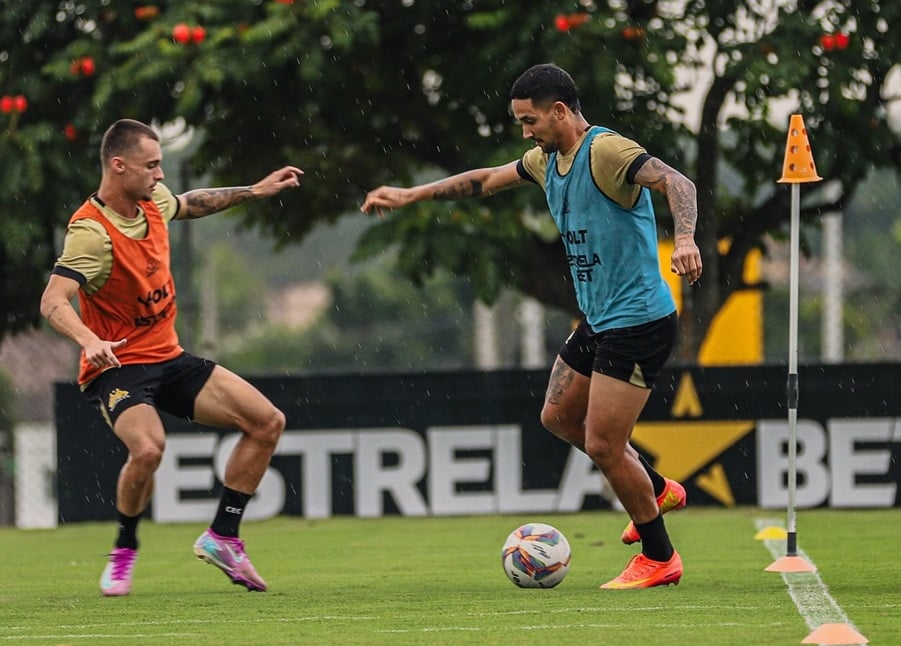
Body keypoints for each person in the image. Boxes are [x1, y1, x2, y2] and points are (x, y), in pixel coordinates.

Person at [362, 63, 702, 589]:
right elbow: (482, 181)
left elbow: (677, 181)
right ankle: (656, 489)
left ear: (560, 111)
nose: (524, 132)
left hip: (637, 321)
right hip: (598, 320)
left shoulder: (606, 152)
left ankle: (660, 557)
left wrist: (684, 240)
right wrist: (412, 195)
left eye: (529, 120)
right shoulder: (545, 160)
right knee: (558, 417)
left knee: (606, 445)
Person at [40, 118, 304, 596]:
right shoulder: (91, 233)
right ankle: (124, 548)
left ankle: (223, 536)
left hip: (169, 356)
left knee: (267, 422)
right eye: (152, 165)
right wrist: (87, 339)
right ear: (118, 166)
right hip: (117, 366)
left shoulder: (153, 202)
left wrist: (255, 190)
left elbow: (193, 203)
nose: (160, 175)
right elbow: (53, 300)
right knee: (148, 449)